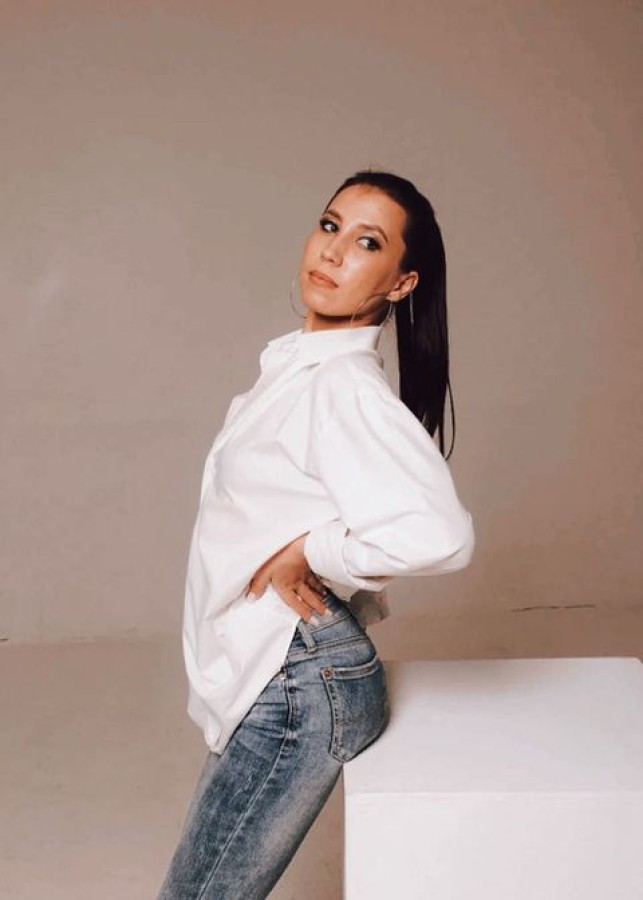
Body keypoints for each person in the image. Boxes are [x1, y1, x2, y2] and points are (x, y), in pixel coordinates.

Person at [156, 169, 475, 899]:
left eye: (367, 243)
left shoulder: (341, 388)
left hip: (298, 682)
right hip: (280, 667)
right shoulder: (295, 370)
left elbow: (442, 535)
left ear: (401, 284)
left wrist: (314, 549)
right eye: (330, 226)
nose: (332, 251)